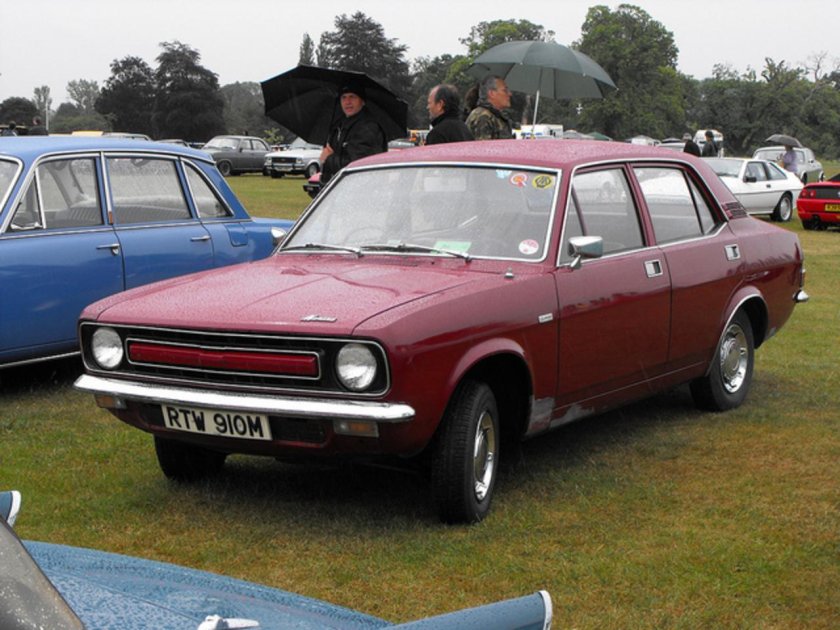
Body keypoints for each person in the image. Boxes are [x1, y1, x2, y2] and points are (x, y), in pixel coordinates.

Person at [319, 82, 387, 185]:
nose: (347, 102)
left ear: (362, 101)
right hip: (339, 190)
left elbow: (357, 165)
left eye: (352, 97)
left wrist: (328, 159)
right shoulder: (338, 126)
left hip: (360, 190)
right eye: (344, 97)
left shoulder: (368, 128)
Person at [465, 75, 514, 140]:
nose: (510, 94)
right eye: (505, 90)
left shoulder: (494, 116)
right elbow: (483, 148)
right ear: (492, 93)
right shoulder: (482, 116)